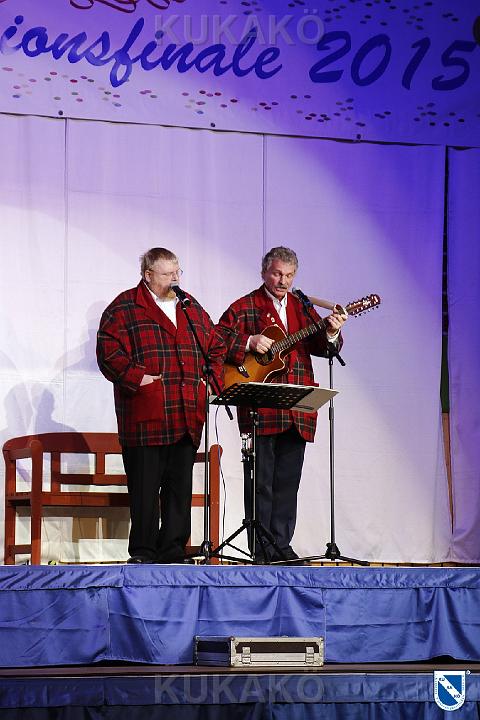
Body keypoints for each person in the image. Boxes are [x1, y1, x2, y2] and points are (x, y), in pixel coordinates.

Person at [216, 246, 347, 562]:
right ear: (264, 272)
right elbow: (216, 339)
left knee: (288, 483)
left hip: (297, 406)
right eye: (277, 274)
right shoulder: (246, 306)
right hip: (261, 406)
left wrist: (332, 332)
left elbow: (324, 347)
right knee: (261, 482)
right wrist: (248, 341)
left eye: (289, 275)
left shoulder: (302, 306)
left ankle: (281, 545)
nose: (283, 281)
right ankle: (262, 548)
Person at [97, 248, 224, 564]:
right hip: (146, 413)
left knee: (178, 488)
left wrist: (211, 381)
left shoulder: (189, 306)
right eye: (168, 274)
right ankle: (143, 550)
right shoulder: (124, 307)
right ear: (148, 275)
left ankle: (173, 550)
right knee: (145, 488)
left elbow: (216, 345)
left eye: (177, 272)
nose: (175, 279)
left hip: (186, 411)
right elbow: (108, 352)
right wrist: (136, 377)